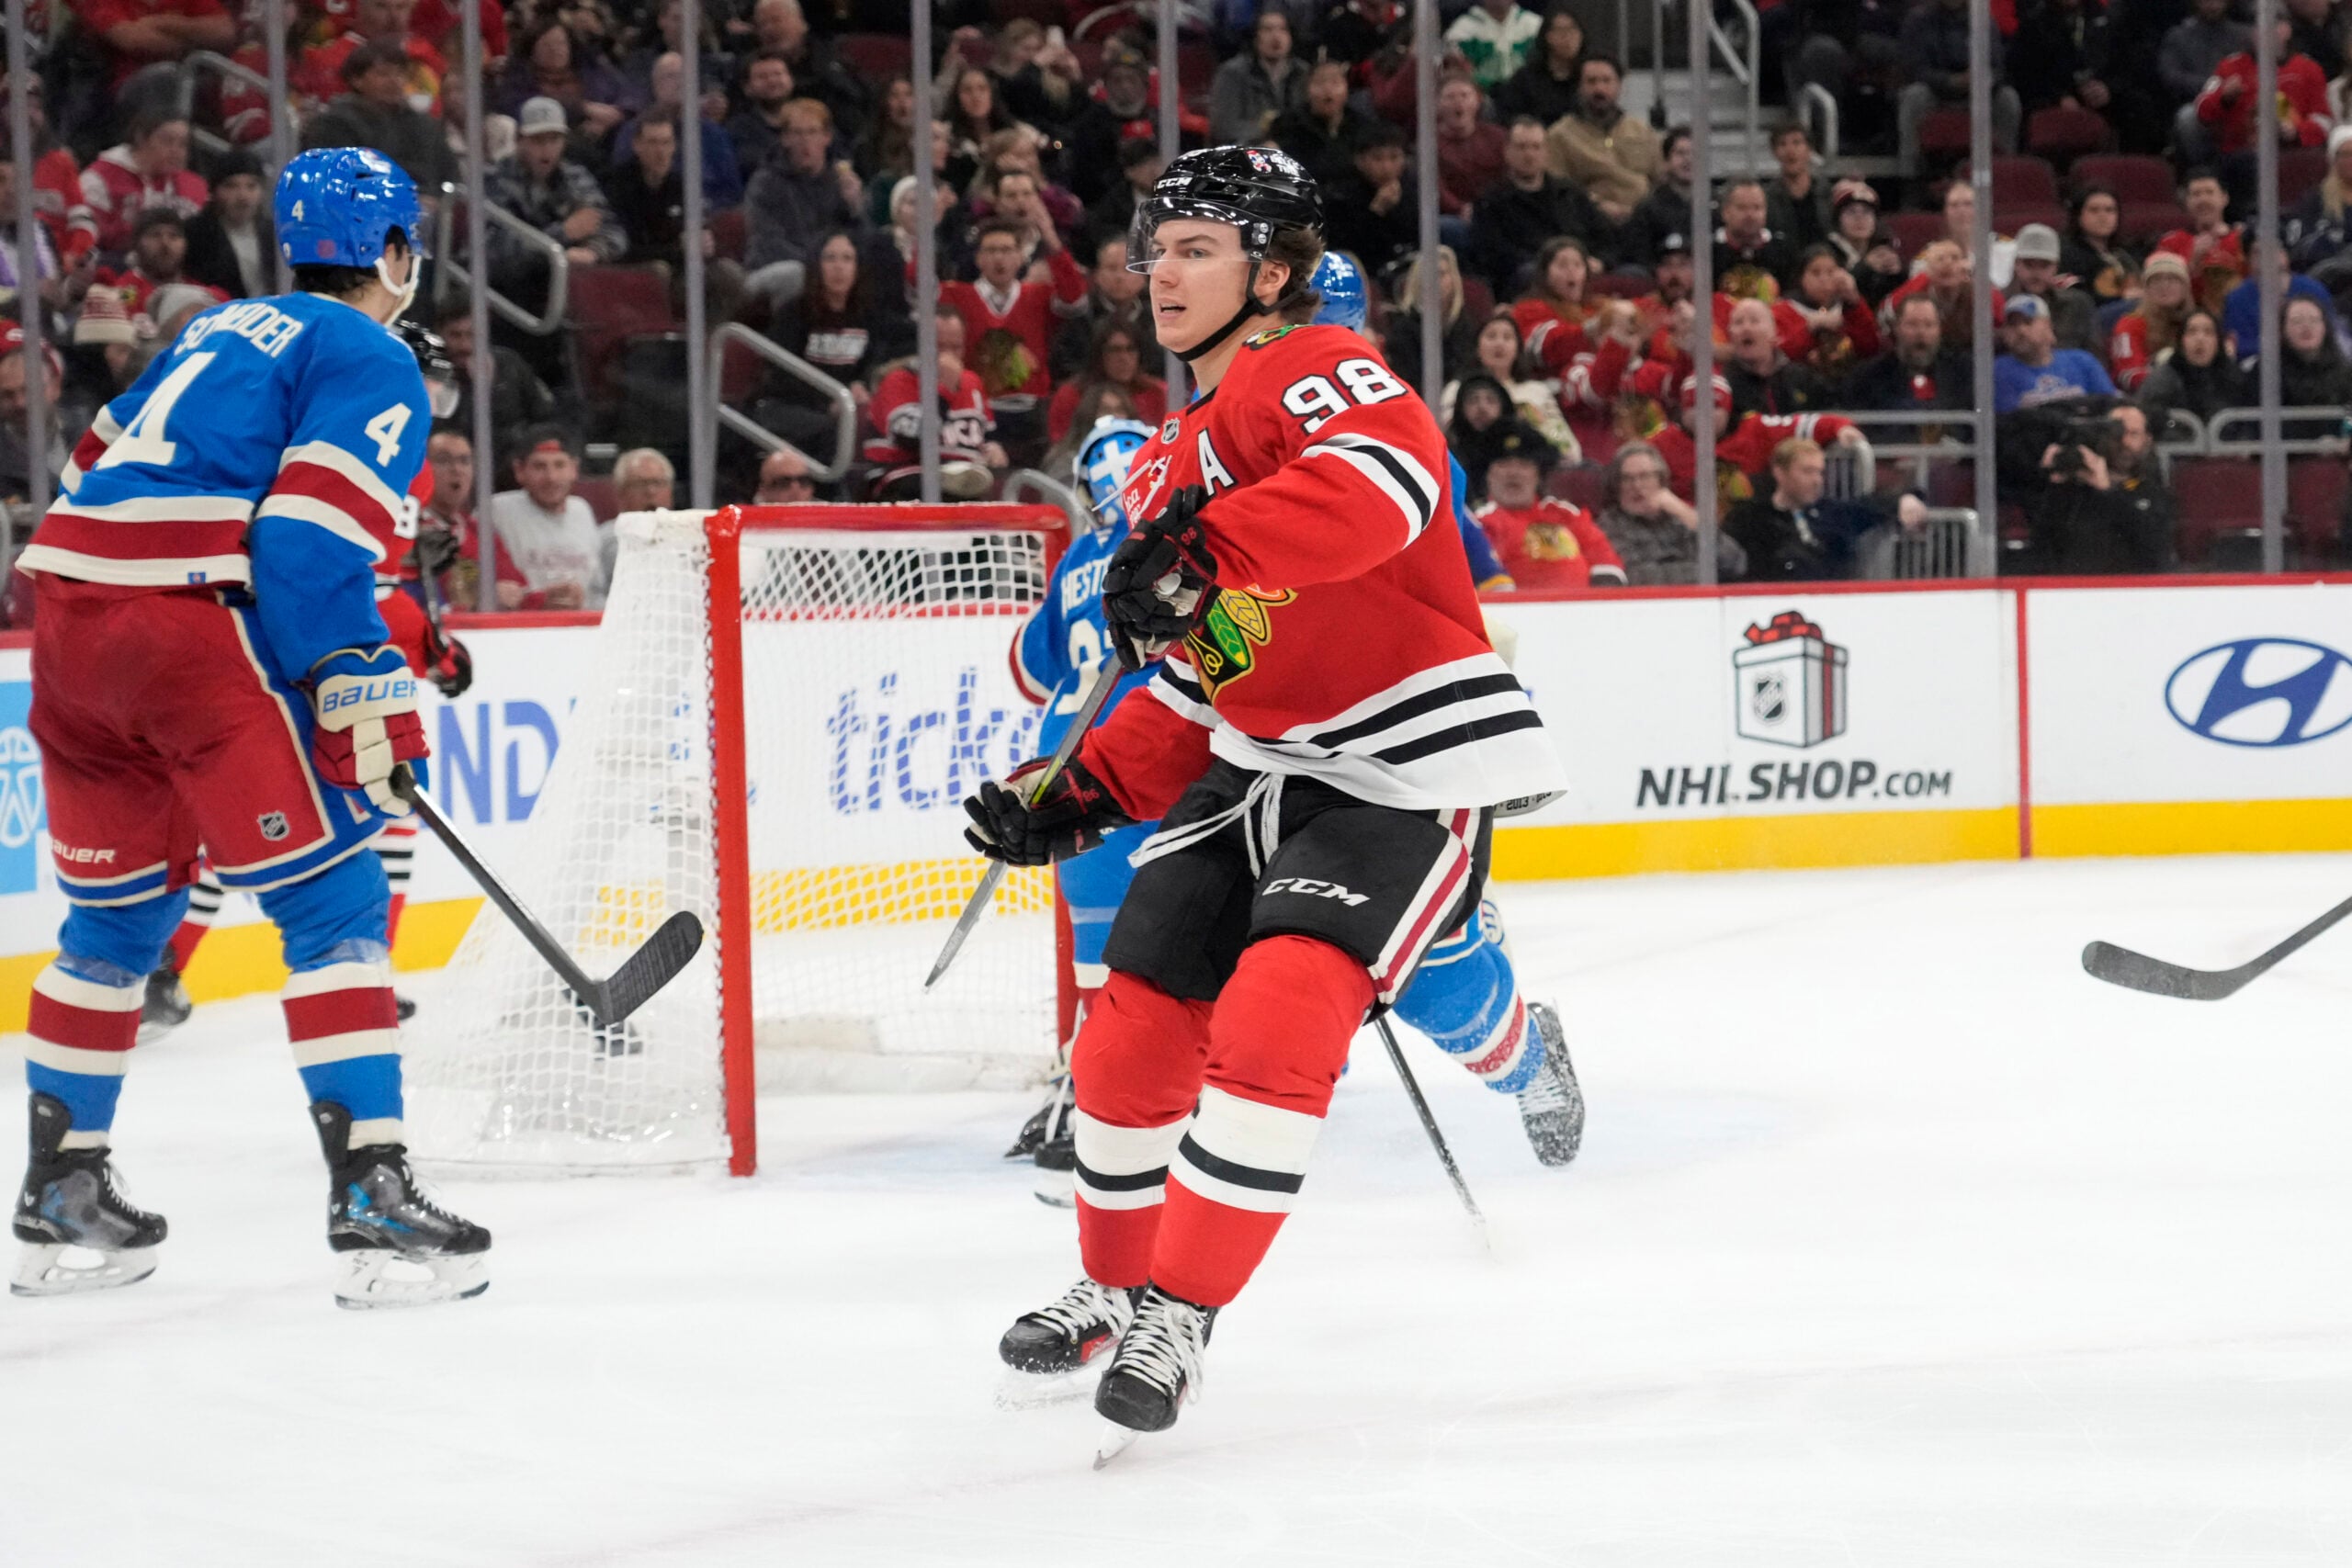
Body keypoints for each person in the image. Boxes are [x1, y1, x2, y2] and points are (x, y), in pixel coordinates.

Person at [972, 146, 1570, 1453]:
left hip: (1402, 773)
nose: (1161, 270)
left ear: (1278, 272)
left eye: (1196, 246)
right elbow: (1208, 673)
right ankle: (1117, 1284)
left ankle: (1181, 1309)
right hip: (1261, 770)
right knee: (1129, 1029)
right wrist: (1079, 793)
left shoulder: (1302, 366)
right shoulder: (1180, 447)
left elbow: (1392, 478)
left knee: (1286, 1002)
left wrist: (1205, 549)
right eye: (1154, 247)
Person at [10, 147, 489, 1308]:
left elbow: (89, 460)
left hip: (64, 629)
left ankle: (60, 1187)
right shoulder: (371, 351)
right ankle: (371, 1195)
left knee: (113, 927)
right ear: (391, 253)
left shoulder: (216, 331)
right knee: (332, 911)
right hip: (182, 632)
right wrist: (359, 690)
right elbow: (307, 549)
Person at [942, 214, 1087, 457]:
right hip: (979, 410)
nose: (999, 258)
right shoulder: (956, 295)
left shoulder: (1039, 295)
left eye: (1008, 250)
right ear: (978, 259)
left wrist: (1052, 242)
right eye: (991, 250)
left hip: (1032, 412)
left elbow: (1075, 300)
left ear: (1021, 257)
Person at [1724, 435, 1927, 581]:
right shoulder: (1750, 518)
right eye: (1807, 471)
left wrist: (1907, 498)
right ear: (1779, 472)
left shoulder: (1835, 514)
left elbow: (1879, 504)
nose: (1816, 481)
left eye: (1820, 472)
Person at [2011, 403, 2177, 573]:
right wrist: (2056, 486)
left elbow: (2154, 550)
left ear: (2147, 440)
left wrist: (2107, 491)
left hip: (2132, 591)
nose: (2124, 442)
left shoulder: (2154, 492)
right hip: (2075, 590)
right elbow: (2043, 549)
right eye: (2116, 434)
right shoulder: (2076, 490)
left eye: (2133, 434)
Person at [862, 305, 1003, 498]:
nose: (948, 356)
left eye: (956, 347)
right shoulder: (898, 380)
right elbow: (912, 439)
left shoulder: (972, 382)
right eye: (940, 346)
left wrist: (994, 450)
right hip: (907, 479)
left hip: (966, 479)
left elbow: (987, 436)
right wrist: (944, 390)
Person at [742, 98, 865, 312]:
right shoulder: (765, 182)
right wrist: (821, 267)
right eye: (798, 133)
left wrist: (855, 207)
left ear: (827, 137)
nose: (805, 141)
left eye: (812, 132)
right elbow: (768, 244)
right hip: (772, 269)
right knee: (796, 275)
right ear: (786, 139)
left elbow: (860, 240)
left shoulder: (839, 182)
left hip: (827, 267)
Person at [1468, 115, 1610, 294]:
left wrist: (1600, 260)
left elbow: (1604, 233)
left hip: (1580, 267)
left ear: (1546, 152)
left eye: (1536, 147)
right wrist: (1552, 265)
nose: (1529, 154)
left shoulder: (1570, 193)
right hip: (1526, 275)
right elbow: (1493, 253)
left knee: (1630, 274)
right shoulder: (1491, 201)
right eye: (1522, 147)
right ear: (1507, 152)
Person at [1473, 423, 1624, 588]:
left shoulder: (1565, 513)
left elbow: (1607, 565)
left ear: (1539, 476)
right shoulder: (1479, 525)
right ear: (1488, 475)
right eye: (1503, 464)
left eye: (1524, 464)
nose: (1513, 473)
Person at [300, 39, 458, 194]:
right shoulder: (334, 124)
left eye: (400, 74)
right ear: (357, 80)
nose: (394, 81)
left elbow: (449, 174)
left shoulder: (424, 124)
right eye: (383, 74)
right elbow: (340, 180)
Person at [489, 424, 610, 608]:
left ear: (574, 469)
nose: (551, 477)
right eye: (539, 466)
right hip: (522, 629)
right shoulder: (497, 511)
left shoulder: (582, 510)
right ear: (519, 470)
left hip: (579, 628)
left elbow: (597, 590)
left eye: (559, 465)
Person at [1591, 438, 1741, 583]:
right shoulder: (1609, 525)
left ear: (1661, 480)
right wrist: (1703, 572)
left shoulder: (1682, 516)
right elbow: (1635, 577)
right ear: (1616, 485)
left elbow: (1736, 563)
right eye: (1626, 478)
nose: (1636, 485)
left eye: (1645, 476)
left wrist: (1695, 522)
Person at [1898, 0, 2021, 175]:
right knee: (1914, 96)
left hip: (1977, 94)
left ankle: (2005, 171)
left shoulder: (1984, 20)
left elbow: (1998, 68)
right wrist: (1951, 81)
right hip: (1935, 93)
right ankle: (1910, 176)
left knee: (2008, 98)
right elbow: (1914, 69)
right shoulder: (1918, 20)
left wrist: (1982, 80)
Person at [73, 108, 208, 259]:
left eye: (183, 144)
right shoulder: (99, 178)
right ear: (141, 138)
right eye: (167, 141)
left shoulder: (195, 185)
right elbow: (88, 239)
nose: (176, 151)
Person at [1440, 311, 1579, 456]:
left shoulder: (1537, 391)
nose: (1499, 343)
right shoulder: (1456, 390)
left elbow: (1568, 448)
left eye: (1507, 337)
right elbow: (1445, 437)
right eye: (1491, 336)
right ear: (1477, 347)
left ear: (1518, 349)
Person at [1841, 291, 1974, 439]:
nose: (1921, 332)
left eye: (1929, 325)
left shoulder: (1962, 371)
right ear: (1896, 328)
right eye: (1912, 324)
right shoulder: (1867, 377)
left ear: (1940, 329)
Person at [1544, 53, 1657, 224]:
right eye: (1591, 81)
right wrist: (1597, 205)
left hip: (1643, 221)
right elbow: (1557, 189)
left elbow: (1660, 180)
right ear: (1579, 87)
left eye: (1606, 81)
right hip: (1588, 222)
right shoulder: (1560, 135)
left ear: (1619, 86)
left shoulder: (1642, 131)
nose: (1599, 89)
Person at [1052, 231, 1159, 382]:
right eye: (1111, 268)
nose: (1119, 277)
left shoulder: (1158, 318)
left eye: (1128, 269)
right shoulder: (1081, 317)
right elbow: (1067, 367)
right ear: (1097, 275)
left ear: (1144, 277)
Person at [1323, 121, 1420, 284]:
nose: (1387, 167)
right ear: (1360, 161)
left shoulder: (1412, 190)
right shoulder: (1341, 197)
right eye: (1378, 158)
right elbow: (1347, 249)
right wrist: (1376, 212)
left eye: (1394, 157)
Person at [2249, 292, 2352, 439]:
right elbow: (2260, 425)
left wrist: (2346, 436)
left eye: (2314, 320)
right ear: (2282, 329)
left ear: (2325, 327)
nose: (2306, 327)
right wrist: (2314, 440)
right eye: (2297, 321)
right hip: (2288, 457)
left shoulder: (2344, 370)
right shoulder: (2266, 371)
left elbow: (2350, 414)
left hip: (2337, 455)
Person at [1047, 321, 1167, 443]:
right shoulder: (1071, 395)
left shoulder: (1158, 392)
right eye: (1115, 350)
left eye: (1131, 349)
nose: (1124, 358)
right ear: (1100, 355)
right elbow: (1062, 447)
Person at [1996, 294, 2118, 412]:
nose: (2020, 330)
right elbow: (2011, 422)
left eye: (2028, 322)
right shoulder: (1999, 371)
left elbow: (2111, 405)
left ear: (2048, 325)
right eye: (2012, 325)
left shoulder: (2082, 361)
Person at [1270, 60, 1378, 192]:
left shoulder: (1363, 126)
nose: (1328, 89)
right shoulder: (1288, 124)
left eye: (1335, 83)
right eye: (1319, 83)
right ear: (1307, 90)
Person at [1382, 246, 1481, 391]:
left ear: (1454, 279)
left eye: (1441, 274)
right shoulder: (1403, 329)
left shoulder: (1465, 325)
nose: (1435, 281)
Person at [2162, 0, 2250, 161]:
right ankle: (2203, 169)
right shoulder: (2179, 36)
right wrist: (2212, 85)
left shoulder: (2243, 35)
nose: (2213, 5)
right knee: (2187, 117)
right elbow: (2171, 76)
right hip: (2197, 102)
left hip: (2239, 102)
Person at [181, 149, 273, 300]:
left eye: (251, 186)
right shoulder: (196, 234)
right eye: (231, 186)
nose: (243, 196)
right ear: (214, 191)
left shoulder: (275, 233)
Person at [2135, 308, 2245, 431]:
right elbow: (2151, 423)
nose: (2200, 339)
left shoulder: (2235, 378)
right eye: (2192, 332)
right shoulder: (2162, 380)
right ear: (2181, 341)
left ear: (2218, 341)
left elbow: (2248, 426)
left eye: (2208, 332)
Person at [2154, 168, 2246, 313]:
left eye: (2209, 192)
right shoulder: (2171, 242)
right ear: (2187, 202)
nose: (2203, 200)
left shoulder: (2242, 238)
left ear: (2224, 198)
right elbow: (2159, 289)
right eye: (2196, 194)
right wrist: (2193, 261)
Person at [1208, 10, 1306, 146]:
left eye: (1283, 29)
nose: (1276, 36)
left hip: (1294, 150)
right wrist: (1265, 131)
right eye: (1268, 29)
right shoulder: (1232, 73)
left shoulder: (1303, 72)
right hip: (1247, 151)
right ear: (1255, 37)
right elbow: (1223, 126)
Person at [2109, 250, 2195, 392]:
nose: (2164, 285)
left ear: (2186, 287)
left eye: (2172, 279)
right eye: (2156, 280)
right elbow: (2128, 374)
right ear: (2146, 288)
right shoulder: (2129, 324)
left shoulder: (2198, 322)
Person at [2007, 223, 2098, 353]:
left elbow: (2095, 357)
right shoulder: (1998, 306)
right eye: (2029, 264)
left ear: (2056, 267)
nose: (2036, 273)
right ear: (2016, 264)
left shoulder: (2078, 305)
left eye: (2044, 265)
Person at [1434, 75, 1510, 226]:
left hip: (1499, 211)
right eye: (1450, 97)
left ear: (1478, 101)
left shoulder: (1498, 137)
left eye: (1465, 96)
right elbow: (1435, 187)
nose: (1458, 102)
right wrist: (1459, 208)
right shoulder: (1430, 144)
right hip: (1456, 217)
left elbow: (1510, 176)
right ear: (1437, 104)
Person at [1492, 6, 1586, 126]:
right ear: (1547, 36)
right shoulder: (1526, 78)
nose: (1568, 37)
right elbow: (1508, 115)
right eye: (1561, 30)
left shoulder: (1588, 75)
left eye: (1573, 30)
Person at [1713, 178, 1799, 299]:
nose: (1750, 215)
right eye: (1742, 208)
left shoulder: (1784, 250)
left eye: (1757, 208)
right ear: (1725, 212)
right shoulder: (1708, 253)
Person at [2061, 185, 2140, 306]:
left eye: (2109, 210)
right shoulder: (2067, 255)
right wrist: (2122, 298)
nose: (2103, 216)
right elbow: (2076, 299)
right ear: (2078, 216)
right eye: (2094, 210)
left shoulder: (2125, 254)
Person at [1444, 0, 1544, 88]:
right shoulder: (1462, 31)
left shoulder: (1535, 25)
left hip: (1529, 95)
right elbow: (1458, 77)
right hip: (1483, 98)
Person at [1764, 123, 1831, 254]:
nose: (1790, 151)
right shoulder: (1767, 199)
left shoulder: (1827, 193)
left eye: (1797, 143)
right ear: (1774, 152)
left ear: (1810, 150)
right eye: (1782, 144)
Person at [612, 446, 674, 513]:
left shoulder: (685, 523)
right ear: (621, 492)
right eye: (641, 484)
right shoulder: (616, 524)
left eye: (657, 483)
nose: (651, 491)